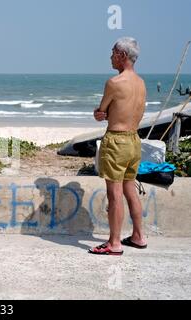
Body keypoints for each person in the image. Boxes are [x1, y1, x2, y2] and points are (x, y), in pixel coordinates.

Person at [89, 37, 148, 255]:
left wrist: (99, 113)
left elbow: (102, 112)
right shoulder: (141, 83)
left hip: (116, 140)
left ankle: (114, 243)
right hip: (134, 140)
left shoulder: (114, 83)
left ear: (122, 55)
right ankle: (139, 236)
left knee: (115, 194)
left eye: (113, 52)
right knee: (130, 190)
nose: (110, 56)